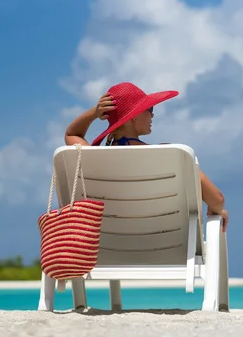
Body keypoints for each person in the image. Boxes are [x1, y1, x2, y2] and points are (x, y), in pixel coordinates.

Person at [64, 81, 228, 232]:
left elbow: (72, 134)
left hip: (108, 245)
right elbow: (217, 199)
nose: (152, 115)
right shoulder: (172, 154)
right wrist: (216, 210)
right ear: (134, 116)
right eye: (149, 110)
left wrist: (95, 112)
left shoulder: (93, 158)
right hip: (167, 243)